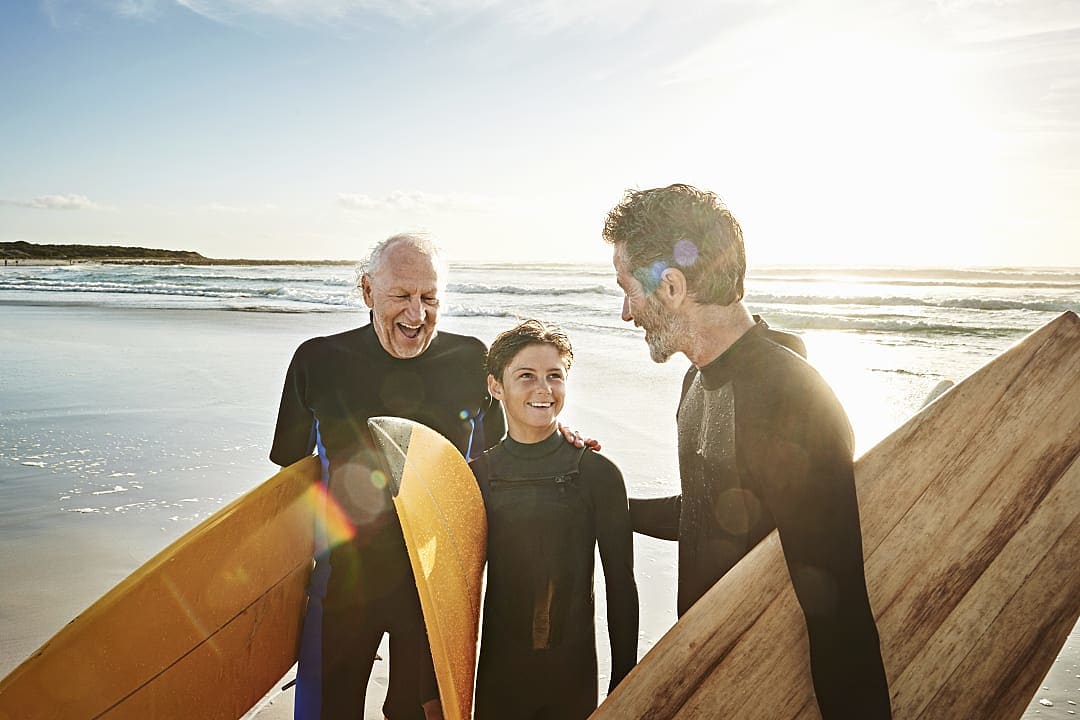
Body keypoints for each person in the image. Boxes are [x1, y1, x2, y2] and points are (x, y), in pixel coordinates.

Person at [603, 184, 891, 718]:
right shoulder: (697, 381)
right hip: (712, 679)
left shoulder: (792, 401)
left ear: (671, 286)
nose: (626, 313)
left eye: (628, 289)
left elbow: (840, 616)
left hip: (765, 690)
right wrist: (607, 509)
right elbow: (712, 513)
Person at [271, 233, 503, 720]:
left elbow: (495, 463)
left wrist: (559, 436)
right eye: (401, 295)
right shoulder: (319, 361)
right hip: (344, 580)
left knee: (414, 714)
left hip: (436, 586)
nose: (416, 314)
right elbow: (290, 477)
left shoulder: (472, 362)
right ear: (367, 291)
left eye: (430, 297)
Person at [469, 320, 639, 720]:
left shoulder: (598, 473)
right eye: (526, 376)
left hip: (573, 678)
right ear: (497, 387)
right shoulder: (478, 477)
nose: (543, 389)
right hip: (499, 678)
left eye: (554, 377)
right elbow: (454, 592)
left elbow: (622, 585)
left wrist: (625, 681)